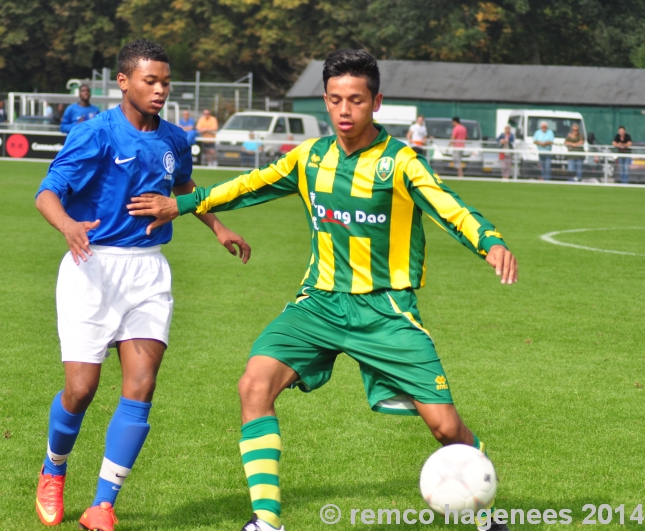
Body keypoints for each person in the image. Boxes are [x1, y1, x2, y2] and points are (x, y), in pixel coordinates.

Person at [129, 48, 517, 531]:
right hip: (319, 304)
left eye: (355, 99)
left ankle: (486, 516)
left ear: (377, 102)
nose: (344, 111)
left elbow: (448, 206)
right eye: (334, 100)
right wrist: (182, 205)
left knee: (444, 426)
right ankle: (266, 521)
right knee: (254, 385)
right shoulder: (309, 158)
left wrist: (490, 242)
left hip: (386, 310)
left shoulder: (400, 163)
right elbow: (249, 184)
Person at [33, 39, 250, 531]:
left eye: (165, 83)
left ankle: (102, 505)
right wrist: (67, 225)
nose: (160, 90)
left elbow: (184, 188)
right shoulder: (95, 134)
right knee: (81, 389)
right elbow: (48, 191)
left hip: (149, 271)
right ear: (124, 82)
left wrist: (218, 227)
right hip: (92, 267)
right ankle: (54, 467)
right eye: (150, 81)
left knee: (141, 386)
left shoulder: (174, 138)